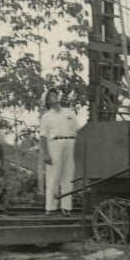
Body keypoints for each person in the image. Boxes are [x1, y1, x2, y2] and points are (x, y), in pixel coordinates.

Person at [39, 87, 79, 215]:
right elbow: (43, 136)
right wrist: (45, 154)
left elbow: (77, 130)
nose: (54, 97)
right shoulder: (46, 116)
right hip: (55, 144)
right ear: (47, 102)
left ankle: (66, 207)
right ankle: (51, 207)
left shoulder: (69, 112)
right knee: (54, 176)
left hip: (71, 143)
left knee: (68, 176)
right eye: (51, 96)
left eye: (55, 95)